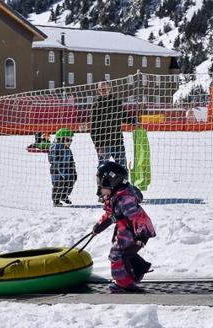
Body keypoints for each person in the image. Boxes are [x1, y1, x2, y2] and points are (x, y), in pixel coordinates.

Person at [92, 162, 155, 293]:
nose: (99, 186)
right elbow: (110, 215)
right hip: (126, 230)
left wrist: (141, 235)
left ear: (111, 181)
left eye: (101, 182)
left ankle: (124, 285)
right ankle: (136, 272)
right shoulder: (115, 196)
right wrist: (98, 227)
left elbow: (136, 217)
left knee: (117, 255)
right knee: (123, 253)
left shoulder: (124, 199)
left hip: (134, 231)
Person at [90, 82, 129, 168]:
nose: (102, 91)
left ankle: (124, 181)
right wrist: (98, 145)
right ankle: (101, 182)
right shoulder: (96, 105)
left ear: (109, 89)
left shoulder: (117, 102)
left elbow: (125, 116)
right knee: (103, 169)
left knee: (123, 168)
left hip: (117, 142)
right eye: (99, 90)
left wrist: (135, 121)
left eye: (104, 89)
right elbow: (93, 128)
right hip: (104, 145)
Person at [48, 128, 77, 207]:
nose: (69, 142)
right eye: (68, 140)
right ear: (60, 139)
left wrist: (73, 168)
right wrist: (61, 171)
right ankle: (56, 200)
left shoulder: (67, 149)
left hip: (67, 169)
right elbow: (54, 160)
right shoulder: (55, 147)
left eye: (71, 140)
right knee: (59, 184)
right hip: (56, 170)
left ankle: (64, 195)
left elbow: (71, 159)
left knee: (71, 180)